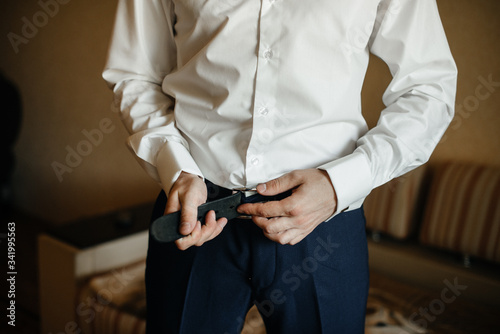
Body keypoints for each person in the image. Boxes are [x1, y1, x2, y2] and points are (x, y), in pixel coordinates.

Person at [103, 0, 457, 333]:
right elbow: (135, 75)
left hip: (323, 222)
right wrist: (176, 168)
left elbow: (427, 89)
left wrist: (339, 185)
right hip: (197, 213)